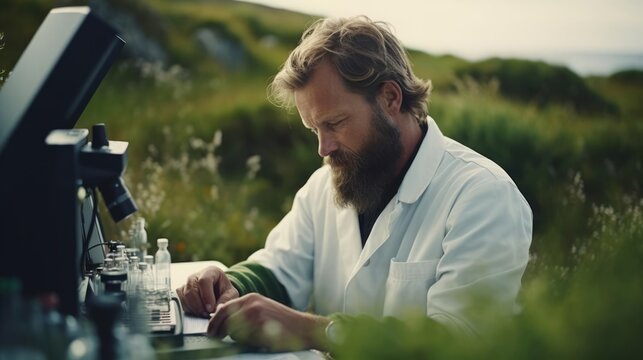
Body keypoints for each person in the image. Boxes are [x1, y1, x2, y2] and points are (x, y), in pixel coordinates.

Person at [176, 16, 532, 351]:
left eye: (335, 123)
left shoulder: (483, 196)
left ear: (390, 98)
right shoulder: (326, 185)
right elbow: (280, 269)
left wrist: (313, 330)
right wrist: (231, 284)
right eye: (314, 130)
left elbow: (459, 340)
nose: (323, 148)